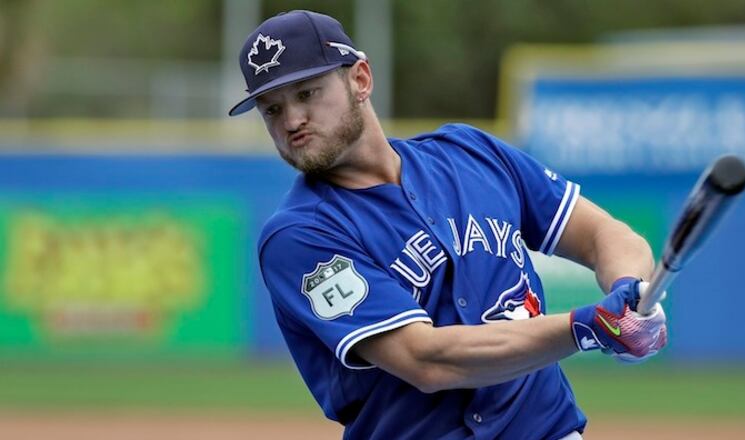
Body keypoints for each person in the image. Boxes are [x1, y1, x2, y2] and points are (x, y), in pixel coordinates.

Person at [229, 10, 667, 440]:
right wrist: (588, 327)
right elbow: (426, 361)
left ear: (360, 79)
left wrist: (629, 295)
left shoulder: (471, 154)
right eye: (272, 110)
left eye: (307, 93)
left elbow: (605, 235)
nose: (292, 121)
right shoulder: (299, 236)